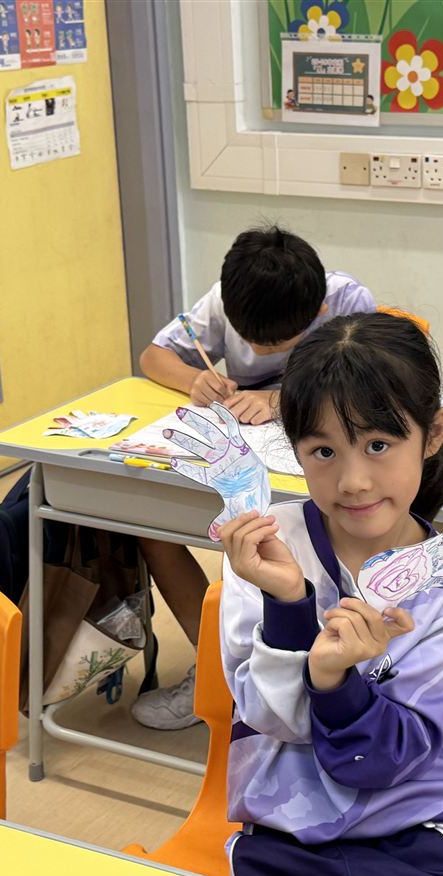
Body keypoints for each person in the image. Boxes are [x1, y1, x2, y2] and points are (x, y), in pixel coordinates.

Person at [217, 312, 443, 876]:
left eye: (379, 445)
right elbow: (269, 719)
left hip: (412, 823)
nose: (353, 480)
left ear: (433, 434)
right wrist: (288, 604)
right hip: (286, 826)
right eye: (323, 451)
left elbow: (385, 760)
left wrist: (337, 687)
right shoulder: (267, 549)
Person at [133, 226, 375, 730]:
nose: (261, 351)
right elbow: (153, 356)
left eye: (278, 345)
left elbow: (371, 385)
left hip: (319, 472)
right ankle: (215, 668)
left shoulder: (347, 301)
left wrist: (280, 399)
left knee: (301, 552)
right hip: (243, 463)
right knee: (151, 530)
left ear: (318, 313)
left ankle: (323, 673)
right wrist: (195, 379)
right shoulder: (226, 296)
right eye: (250, 343)